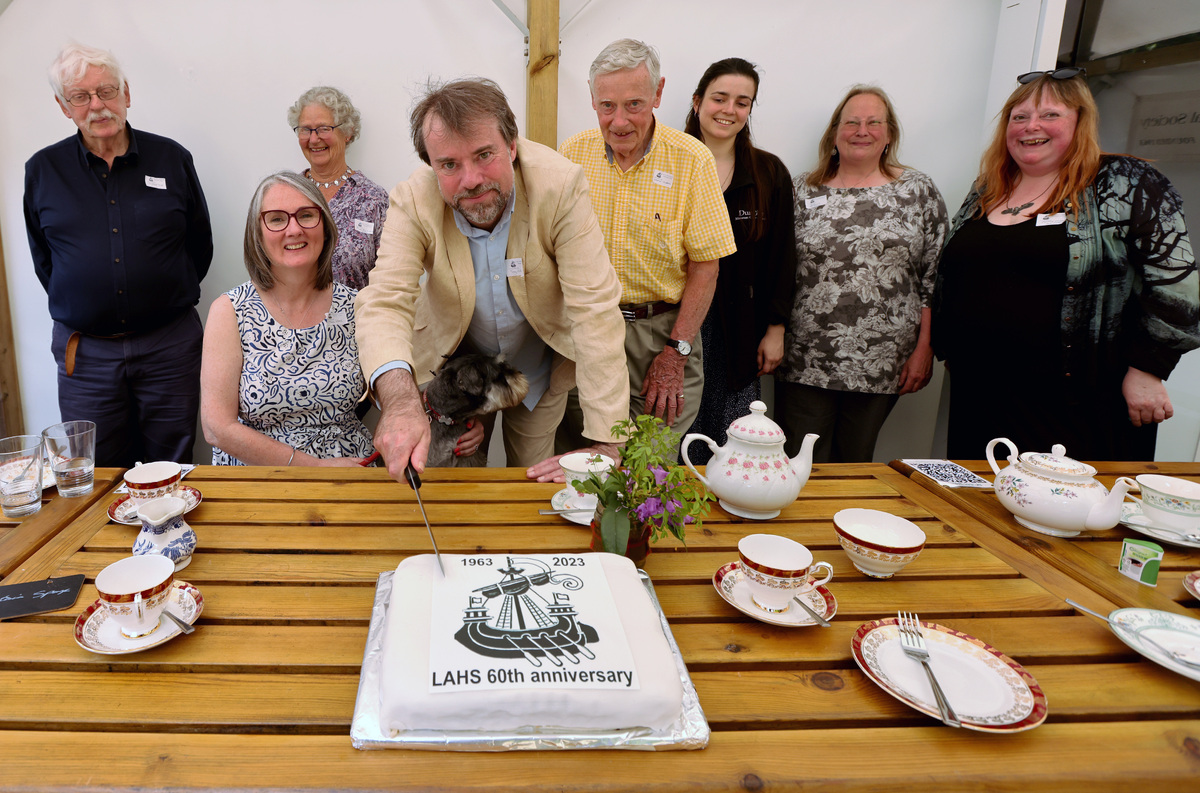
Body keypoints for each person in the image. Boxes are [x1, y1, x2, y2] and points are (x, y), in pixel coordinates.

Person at [354, 79, 629, 482]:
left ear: (512, 146)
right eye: (449, 165)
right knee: (451, 489)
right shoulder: (412, 199)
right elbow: (384, 301)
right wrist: (399, 400)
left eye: (484, 155)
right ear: (432, 165)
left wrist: (608, 443)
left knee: (531, 483)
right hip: (453, 375)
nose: (470, 179)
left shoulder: (561, 185)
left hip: (538, 368)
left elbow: (595, 310)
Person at [932, 68, 1199, 460]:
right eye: (1018, 117)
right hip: (982, 390)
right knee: (981, 506)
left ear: (1080, 120)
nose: (1030, 126)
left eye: (1050, 115)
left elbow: (1178, 285)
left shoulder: (1124, 181)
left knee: (1069, 511)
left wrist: (1148, 368)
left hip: (1079, 400)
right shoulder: (988, 188)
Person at [23, 43, 212, 467]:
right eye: (81, 97)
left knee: (172, 466)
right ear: (63, 106)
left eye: (106, 91)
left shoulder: (172, 158)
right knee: (97, 472)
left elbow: (200, 246)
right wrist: (90, 299)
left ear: (126, 92)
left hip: (169, 347)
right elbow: (45, 260)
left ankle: (169, 536)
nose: (97, 105)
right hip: (87, 356)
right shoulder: (42, 171)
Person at [557, 38, 737, 450]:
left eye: (634, 104)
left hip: (662, 335)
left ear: (658, 94)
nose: (619, 121)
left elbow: (706, 267)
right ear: (592, 99)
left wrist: (675, 353)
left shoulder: (691, 159)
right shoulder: (572, 154)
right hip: (586, 332)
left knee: (648, 472)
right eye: (607, 106)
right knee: (583, 467)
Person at [775, 85, 947, 463]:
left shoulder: (917, 190)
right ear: (835, 132)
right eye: (851, 122)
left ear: (889, 134)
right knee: (799, 464)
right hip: (807, 356)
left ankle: (844, 523)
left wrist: (925, 349)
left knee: (854, 463)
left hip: (883, 358)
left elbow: (935, 276)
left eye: (873, 122)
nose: (861, 130)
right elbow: (778, 266)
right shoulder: (802, 188)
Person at [200, 171, 373, 466]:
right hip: (258, 478)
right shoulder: (230, 310)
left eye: (306, 215)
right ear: (257, 233)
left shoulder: (358, 306)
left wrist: (445, 414)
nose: (294, 229)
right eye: (277, 219)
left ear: (325, 226)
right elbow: (217, 428)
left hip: (349, 475)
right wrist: (315, 467)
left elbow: (393, 389)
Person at [682, 58, 796, 463]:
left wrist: (776, 328)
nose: (729, 109)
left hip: (741, 328)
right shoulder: (669, 164)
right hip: (679, 324)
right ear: (697, 102)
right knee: (674, 433)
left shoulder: (768, 173)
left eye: (742, 102)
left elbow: (783, 258)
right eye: (720, 98)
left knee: (732, 447)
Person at [288, 86, 388, 291]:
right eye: (306, 129)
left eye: (324, 128)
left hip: (356, 321)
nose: (314, 139)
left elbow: (390, 280)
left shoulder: (373, 199)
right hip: (291, 321)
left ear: (348, 132)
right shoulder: (286, 194)